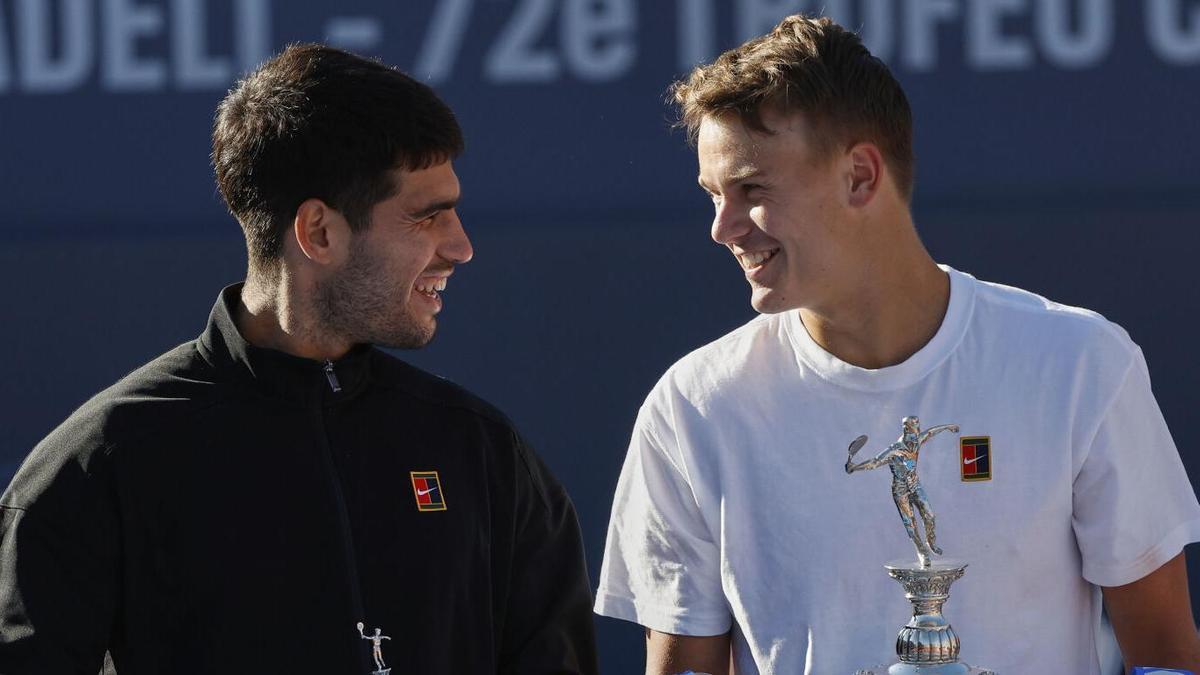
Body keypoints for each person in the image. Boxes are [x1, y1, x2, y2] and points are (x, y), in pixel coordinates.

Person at [594, 14, 1200, 675]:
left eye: (751, 190)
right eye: (713, 195)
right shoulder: (694, 407)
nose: (723, 228)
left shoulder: (1080, 364)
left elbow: (1166, 656)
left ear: (859, 176)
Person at [0, 44, 597, 674]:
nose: (462, 246)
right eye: (427, 217)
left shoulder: (483, 454)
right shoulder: (99, 467)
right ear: (318, 232)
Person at [844, 417, 959, 566]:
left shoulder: (918, 439)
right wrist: (855, 467)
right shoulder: (894, 449)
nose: (914, 444)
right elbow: (874, 462)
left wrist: (947, 426)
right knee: (910, 523)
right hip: (900, 490)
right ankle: (922, 551)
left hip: (915, 484)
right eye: (911, 440)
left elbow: (930, 432)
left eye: (916, 439)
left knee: (929, 515)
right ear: (905, 432)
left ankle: (931, 541)